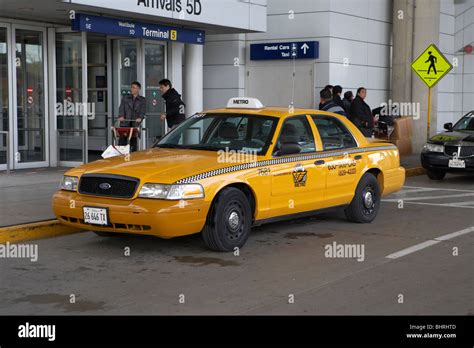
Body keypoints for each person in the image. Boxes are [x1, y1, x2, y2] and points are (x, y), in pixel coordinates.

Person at [118, 81, 146, 152]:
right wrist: (121, 116)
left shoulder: (142, 100)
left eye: (134, 88)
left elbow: (143, 111)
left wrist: (140, 118)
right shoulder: (125, 98)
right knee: (122, 140)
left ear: (138, 89)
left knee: (133, 140)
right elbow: (121, 108)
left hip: (135, 122)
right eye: (131, 87)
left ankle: (133, 156)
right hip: (125, 122)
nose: (132, 89)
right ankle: (121, 156)